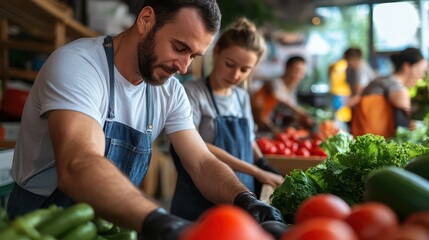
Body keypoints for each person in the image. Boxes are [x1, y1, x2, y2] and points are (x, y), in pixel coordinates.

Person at [6, 1, 284, 239]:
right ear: (146, 20)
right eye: (179, 47)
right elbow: (79, 164)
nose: (184, 67)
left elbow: (200, 162)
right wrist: (160, 220)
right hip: (42, 224)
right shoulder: (79, 65)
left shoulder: (169, 90)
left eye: (194, 56)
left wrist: (245, 199)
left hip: (115, 224)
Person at [169, 17, 284, 221]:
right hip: (199, 199)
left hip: (242, 196)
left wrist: (264, 164)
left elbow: (249, 140)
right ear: (216, 52)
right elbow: (197, 146)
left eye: (244, 70)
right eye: (229, 64)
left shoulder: (241, 97)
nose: (235, 74)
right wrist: (256, 171)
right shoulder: (193, 92)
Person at [351, 47, 428, 138]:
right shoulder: (395, 86)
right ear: (407, 67)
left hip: (364, 140)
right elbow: (401, 98)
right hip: (374, 142)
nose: (421, 76)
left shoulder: (382, 80)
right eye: (419, 71)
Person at [251, 56, 313, 133]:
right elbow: (280, 98)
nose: (298, 75)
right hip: (260, 127)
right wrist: (300, 112)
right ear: (287, 68)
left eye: (302, 72)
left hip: (275, 129)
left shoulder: (292, 89)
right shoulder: (275, 83)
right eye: (296, 71)